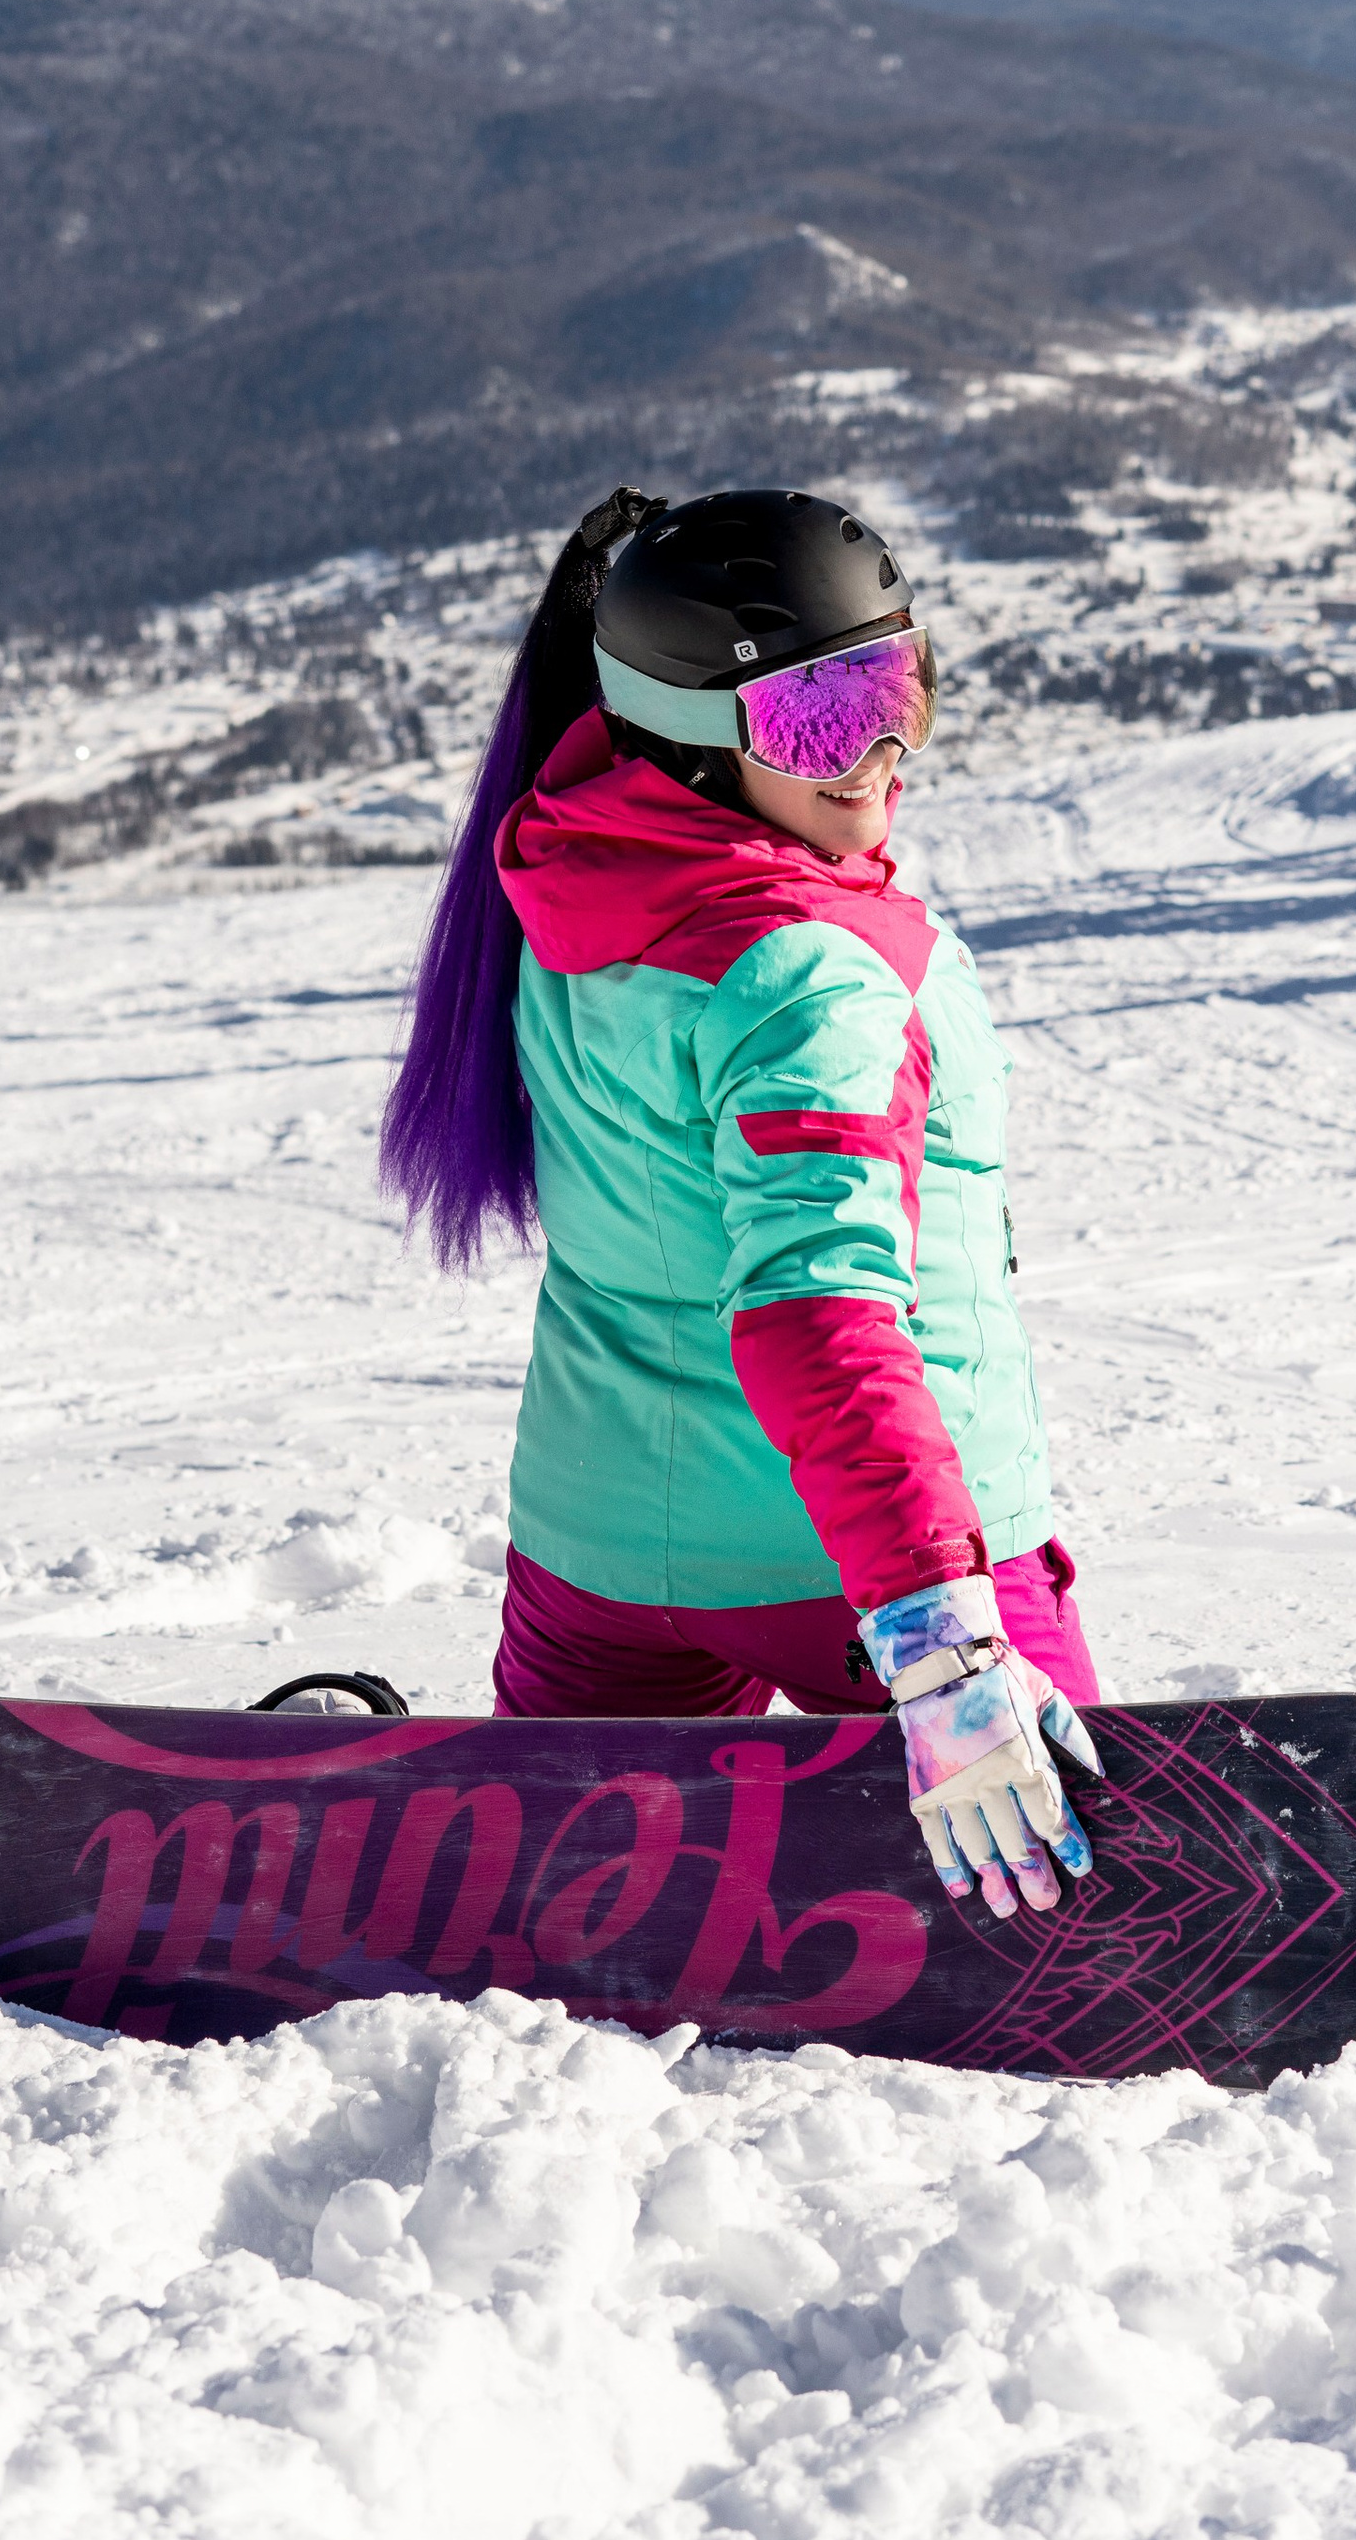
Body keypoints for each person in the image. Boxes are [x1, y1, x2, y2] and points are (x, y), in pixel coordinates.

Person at [378, 485, 1101, 1922]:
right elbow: (814, 1312)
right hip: (860, 1561)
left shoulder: (568, 882)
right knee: (1063, 1897)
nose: (880, 758)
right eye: (821, 720)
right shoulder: (808, 969)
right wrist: (944, 1645)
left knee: (565, 1910)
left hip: (599, 1561)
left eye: (903, 691)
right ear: (695, 732)